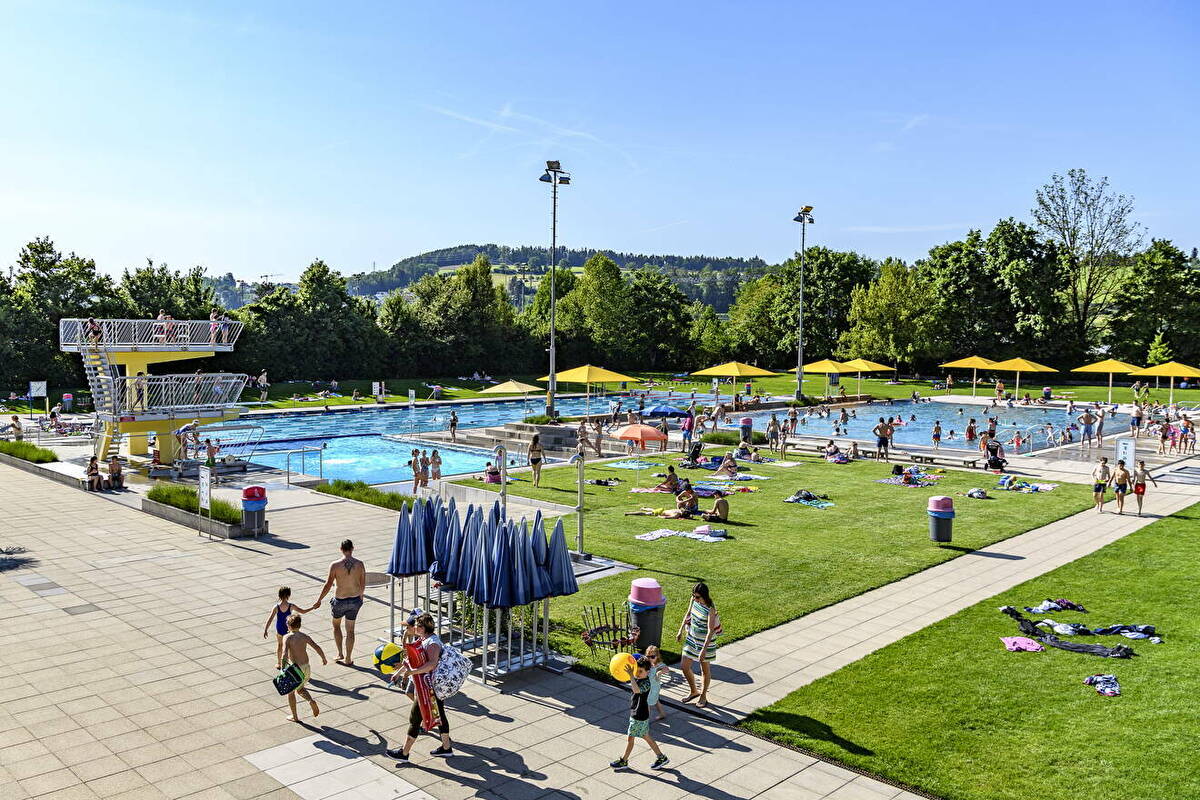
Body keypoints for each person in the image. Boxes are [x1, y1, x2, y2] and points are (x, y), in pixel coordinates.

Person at [387, 611, 453, 761]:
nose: (414, 628)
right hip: (426, 686)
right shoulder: (423, 639)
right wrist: (399, 673)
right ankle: (446, 748)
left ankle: (404, 753)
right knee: (440, 715)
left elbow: (432, 664)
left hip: (430, 688)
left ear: (423, 628)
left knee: (415, 718)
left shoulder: (432, 643)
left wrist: (412, 672)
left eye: (416, 625)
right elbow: (412, 661)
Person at [309, 539, 365, 665]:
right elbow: (363, 582)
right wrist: (361, 596)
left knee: (336, 625)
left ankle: (340, 653)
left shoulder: (335, 565)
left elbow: (328, 584)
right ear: (352, 548)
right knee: (350, 630)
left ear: (341, 549)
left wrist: (319, 600)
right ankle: (348, 658)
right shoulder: (360, 564)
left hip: (340, 600)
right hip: (355, 599)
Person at [609, 653, 669, 771]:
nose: (637, 673)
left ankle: (624, 760)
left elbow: (636, 690)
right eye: (637, 671)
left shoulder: (646, 683)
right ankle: (661, 757)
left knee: (631, 738)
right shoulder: (638, 678)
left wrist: (631, 676)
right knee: (645, 736)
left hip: (639, 715)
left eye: (640, 671)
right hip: (639, 713)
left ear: (648, 671)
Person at [676, 582, 719, 708]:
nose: (695, 599)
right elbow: (688, 614)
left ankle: (703, 696)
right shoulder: (694, 600)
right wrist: (680, 630)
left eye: (698, 597)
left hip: (705, 642)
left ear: (704, 596)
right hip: (692, 638)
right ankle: (694, 691)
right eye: (693, 596)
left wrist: (704, 650)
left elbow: (711, 630)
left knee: (704, 670)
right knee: (684, 666)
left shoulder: (710, 608)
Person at [280, 614, 326, 722]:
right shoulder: (305, 636)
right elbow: (316, 646)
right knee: (300, 689)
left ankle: (294, 716)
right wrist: (323, 658)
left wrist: (282, 668)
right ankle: (310, 700)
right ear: (299, 625)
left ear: (289, 626)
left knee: (290, 693)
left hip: (295, 668)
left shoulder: (287, 637)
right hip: (306, 667)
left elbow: (284, 653)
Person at [263, 586, 305, 669]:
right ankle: (291, 662)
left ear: (279, 595)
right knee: (289, 647)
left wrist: (266, 629)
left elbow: (270, 619)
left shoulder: (276, 607)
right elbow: (303, 611)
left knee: (280, 646)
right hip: (289, 629)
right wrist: (313, 607)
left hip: (279, 629)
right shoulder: (291, 606)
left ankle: (279, 663)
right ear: (288, 595)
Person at [643, 645, 670, 721]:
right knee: (656, 700)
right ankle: (662, 713)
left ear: (657, 656)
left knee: (647, 703)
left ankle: (645, 720)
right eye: (648, 656)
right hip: (648, 686)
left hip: (654, 688)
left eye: (652, 657)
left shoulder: (659, 664)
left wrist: (659, 672)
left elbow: (667, 669)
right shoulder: (647, 664)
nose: (650, 659)